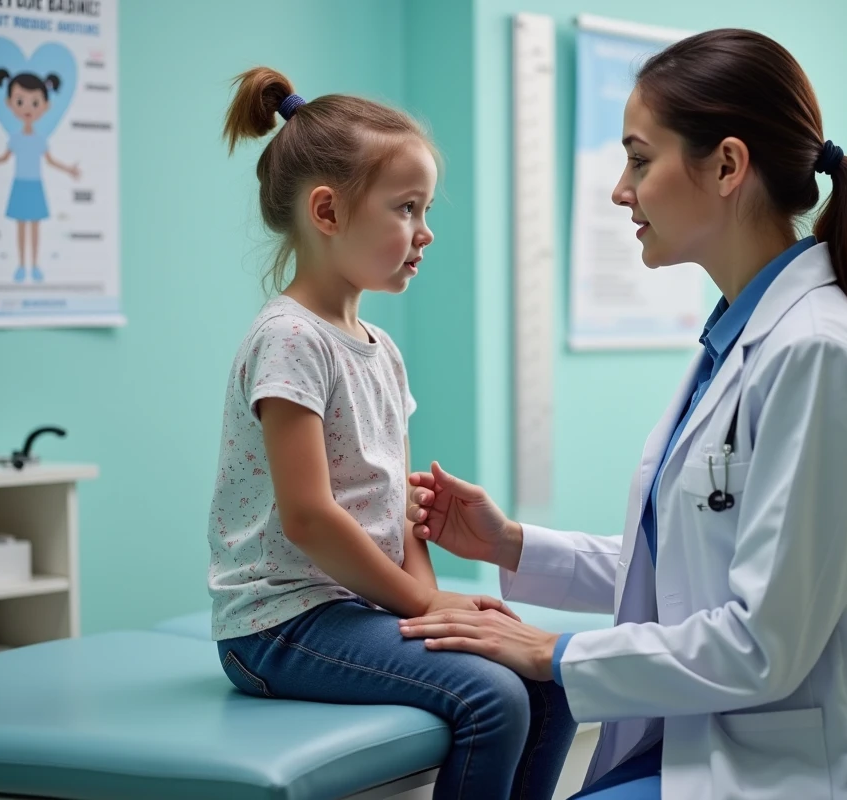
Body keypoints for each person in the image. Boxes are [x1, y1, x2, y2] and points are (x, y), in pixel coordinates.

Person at [400, 29, 847, 800]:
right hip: (717, 746)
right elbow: (690, 570)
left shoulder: (819, 354)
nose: (620, 191)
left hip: (812, 772)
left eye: (638, 159)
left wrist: (548, 652)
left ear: (727, 166)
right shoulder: (741, 340)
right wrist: (513, 544)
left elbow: (763, 643)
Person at [206, 67, 576, 800]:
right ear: (328, 212)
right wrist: (423, 607)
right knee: (492, 697)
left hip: (354, 607)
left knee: (551, 679)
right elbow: (309, 517)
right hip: (277, 623)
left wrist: (437, 609)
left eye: (426, 208)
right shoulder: (289, 339)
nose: (425, 231)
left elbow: (399, 510)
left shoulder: (381, 348)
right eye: (407, 208)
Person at [0, 66, 81, 283]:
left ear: (45, 106)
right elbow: (4, 159)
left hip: (35, 186)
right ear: (9, 103)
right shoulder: (15, 139)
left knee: (35, 228)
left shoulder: (40, 140)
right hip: (20, 185)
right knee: (21, 227)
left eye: (35, 102)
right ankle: (22, 265)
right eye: (20, 101)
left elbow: (50, 161)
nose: (28, 108)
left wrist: (69, 169)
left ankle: (35, 265)